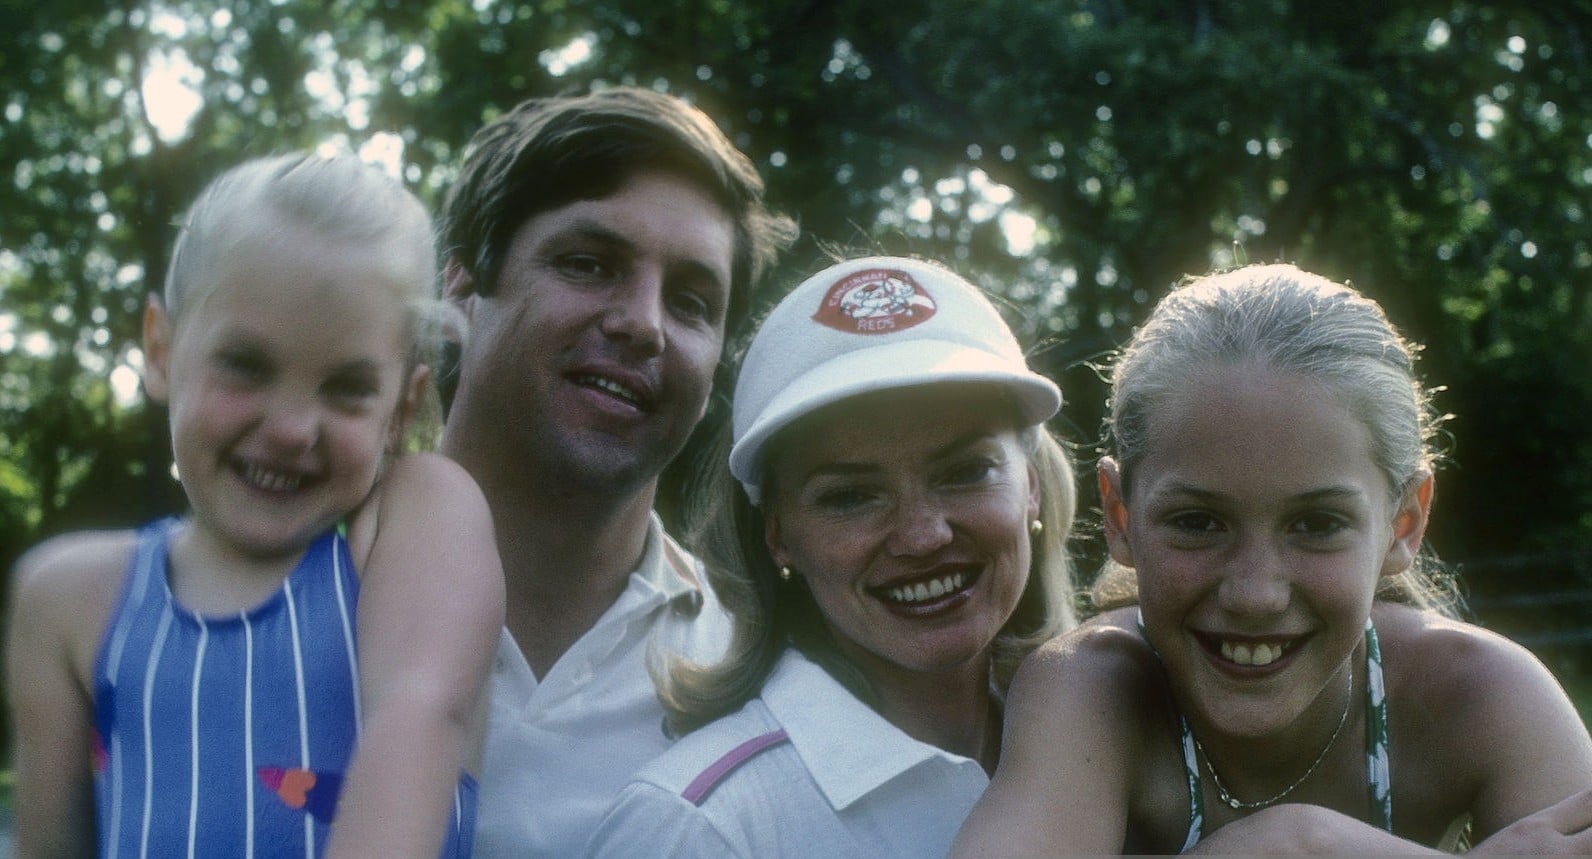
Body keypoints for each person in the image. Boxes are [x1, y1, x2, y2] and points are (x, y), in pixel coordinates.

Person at [951, 263, 1592, 855]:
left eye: (1317, 524)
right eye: (1197, 522)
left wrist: (1305, 841)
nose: (1256, 594)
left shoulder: (1480, 695)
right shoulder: (1093, 690)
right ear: (1121, 516)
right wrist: (1288, 844)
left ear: (1405, 523)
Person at [5, 152, 505, 858]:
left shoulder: (416, 521)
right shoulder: (70, 600)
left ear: (403, 407)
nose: (293, 427)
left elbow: (418, 718)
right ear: (159, 349)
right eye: (245, 365)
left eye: (347, 387)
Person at [582, 255, 1079, 858]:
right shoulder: (700, 827)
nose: (922, 536)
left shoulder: (1121, 751)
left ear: (1031, 486)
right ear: (778, 537)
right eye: (851, 497)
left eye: (966, 472)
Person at [433, 86, 796, 857]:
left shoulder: (755, 680)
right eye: (589, 263)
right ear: (463, 286)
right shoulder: (285, 591)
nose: (642, 323)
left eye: (693, 301)